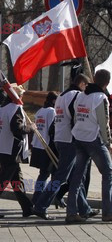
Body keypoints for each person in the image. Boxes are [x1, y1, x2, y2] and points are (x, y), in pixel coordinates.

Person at [32, 74, 96, 220]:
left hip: (61, 138)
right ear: (81, 83)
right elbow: (77, 117)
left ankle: (84, 208)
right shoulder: (77, 95)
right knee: (61, 177)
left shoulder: (62, 95)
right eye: (86, 86)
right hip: (70, 140)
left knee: (74, 177)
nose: (86, 89)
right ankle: (41, 206)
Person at [0, 84, 35, 218]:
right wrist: (30, 128)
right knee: (2, 181)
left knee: (17, 181)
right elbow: (17, 130)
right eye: (21, 94)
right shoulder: (15, 109)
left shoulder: (0, 109)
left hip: (3, 148)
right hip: (12, 149)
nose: (22, 96)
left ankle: (27, 208)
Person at [66, 69, 112, 223]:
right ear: (107, 83)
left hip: (79, 137)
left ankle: (71, 213)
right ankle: (108, 212)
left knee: (77, 177)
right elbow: (104, 123)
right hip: (93, 139)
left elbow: (75, 115)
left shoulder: (81, 95)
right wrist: (109, 144)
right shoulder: (101, 98)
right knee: (108, 173)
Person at [30, 92, 58, 204]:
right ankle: (40, 199)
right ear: (54, 101)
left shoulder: (40, 111)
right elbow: (53, 130)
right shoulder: (51, 111)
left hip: (39, 145)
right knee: (48, 175)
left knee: (44, 174)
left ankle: (41, 198)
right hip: (47, 146)